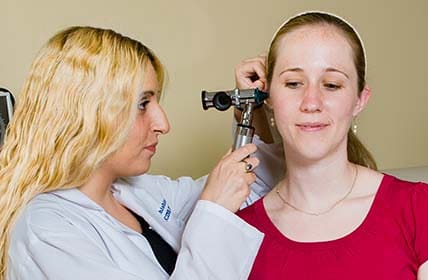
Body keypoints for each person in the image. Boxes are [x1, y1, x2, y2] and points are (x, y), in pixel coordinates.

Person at [0, 26, 279, 279]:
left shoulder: (136, 192)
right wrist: (214, 210)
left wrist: (251, 111)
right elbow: (218, 207)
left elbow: (250, 189)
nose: (163, 124)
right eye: (142, 104)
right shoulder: (48, 230)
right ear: (88, 113)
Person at [237, 11, 428, 279]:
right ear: (268, 97)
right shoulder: (239, 231)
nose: (311, 102)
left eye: (332, 85)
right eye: (293, 83)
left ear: (360, 99)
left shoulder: (418, 208)